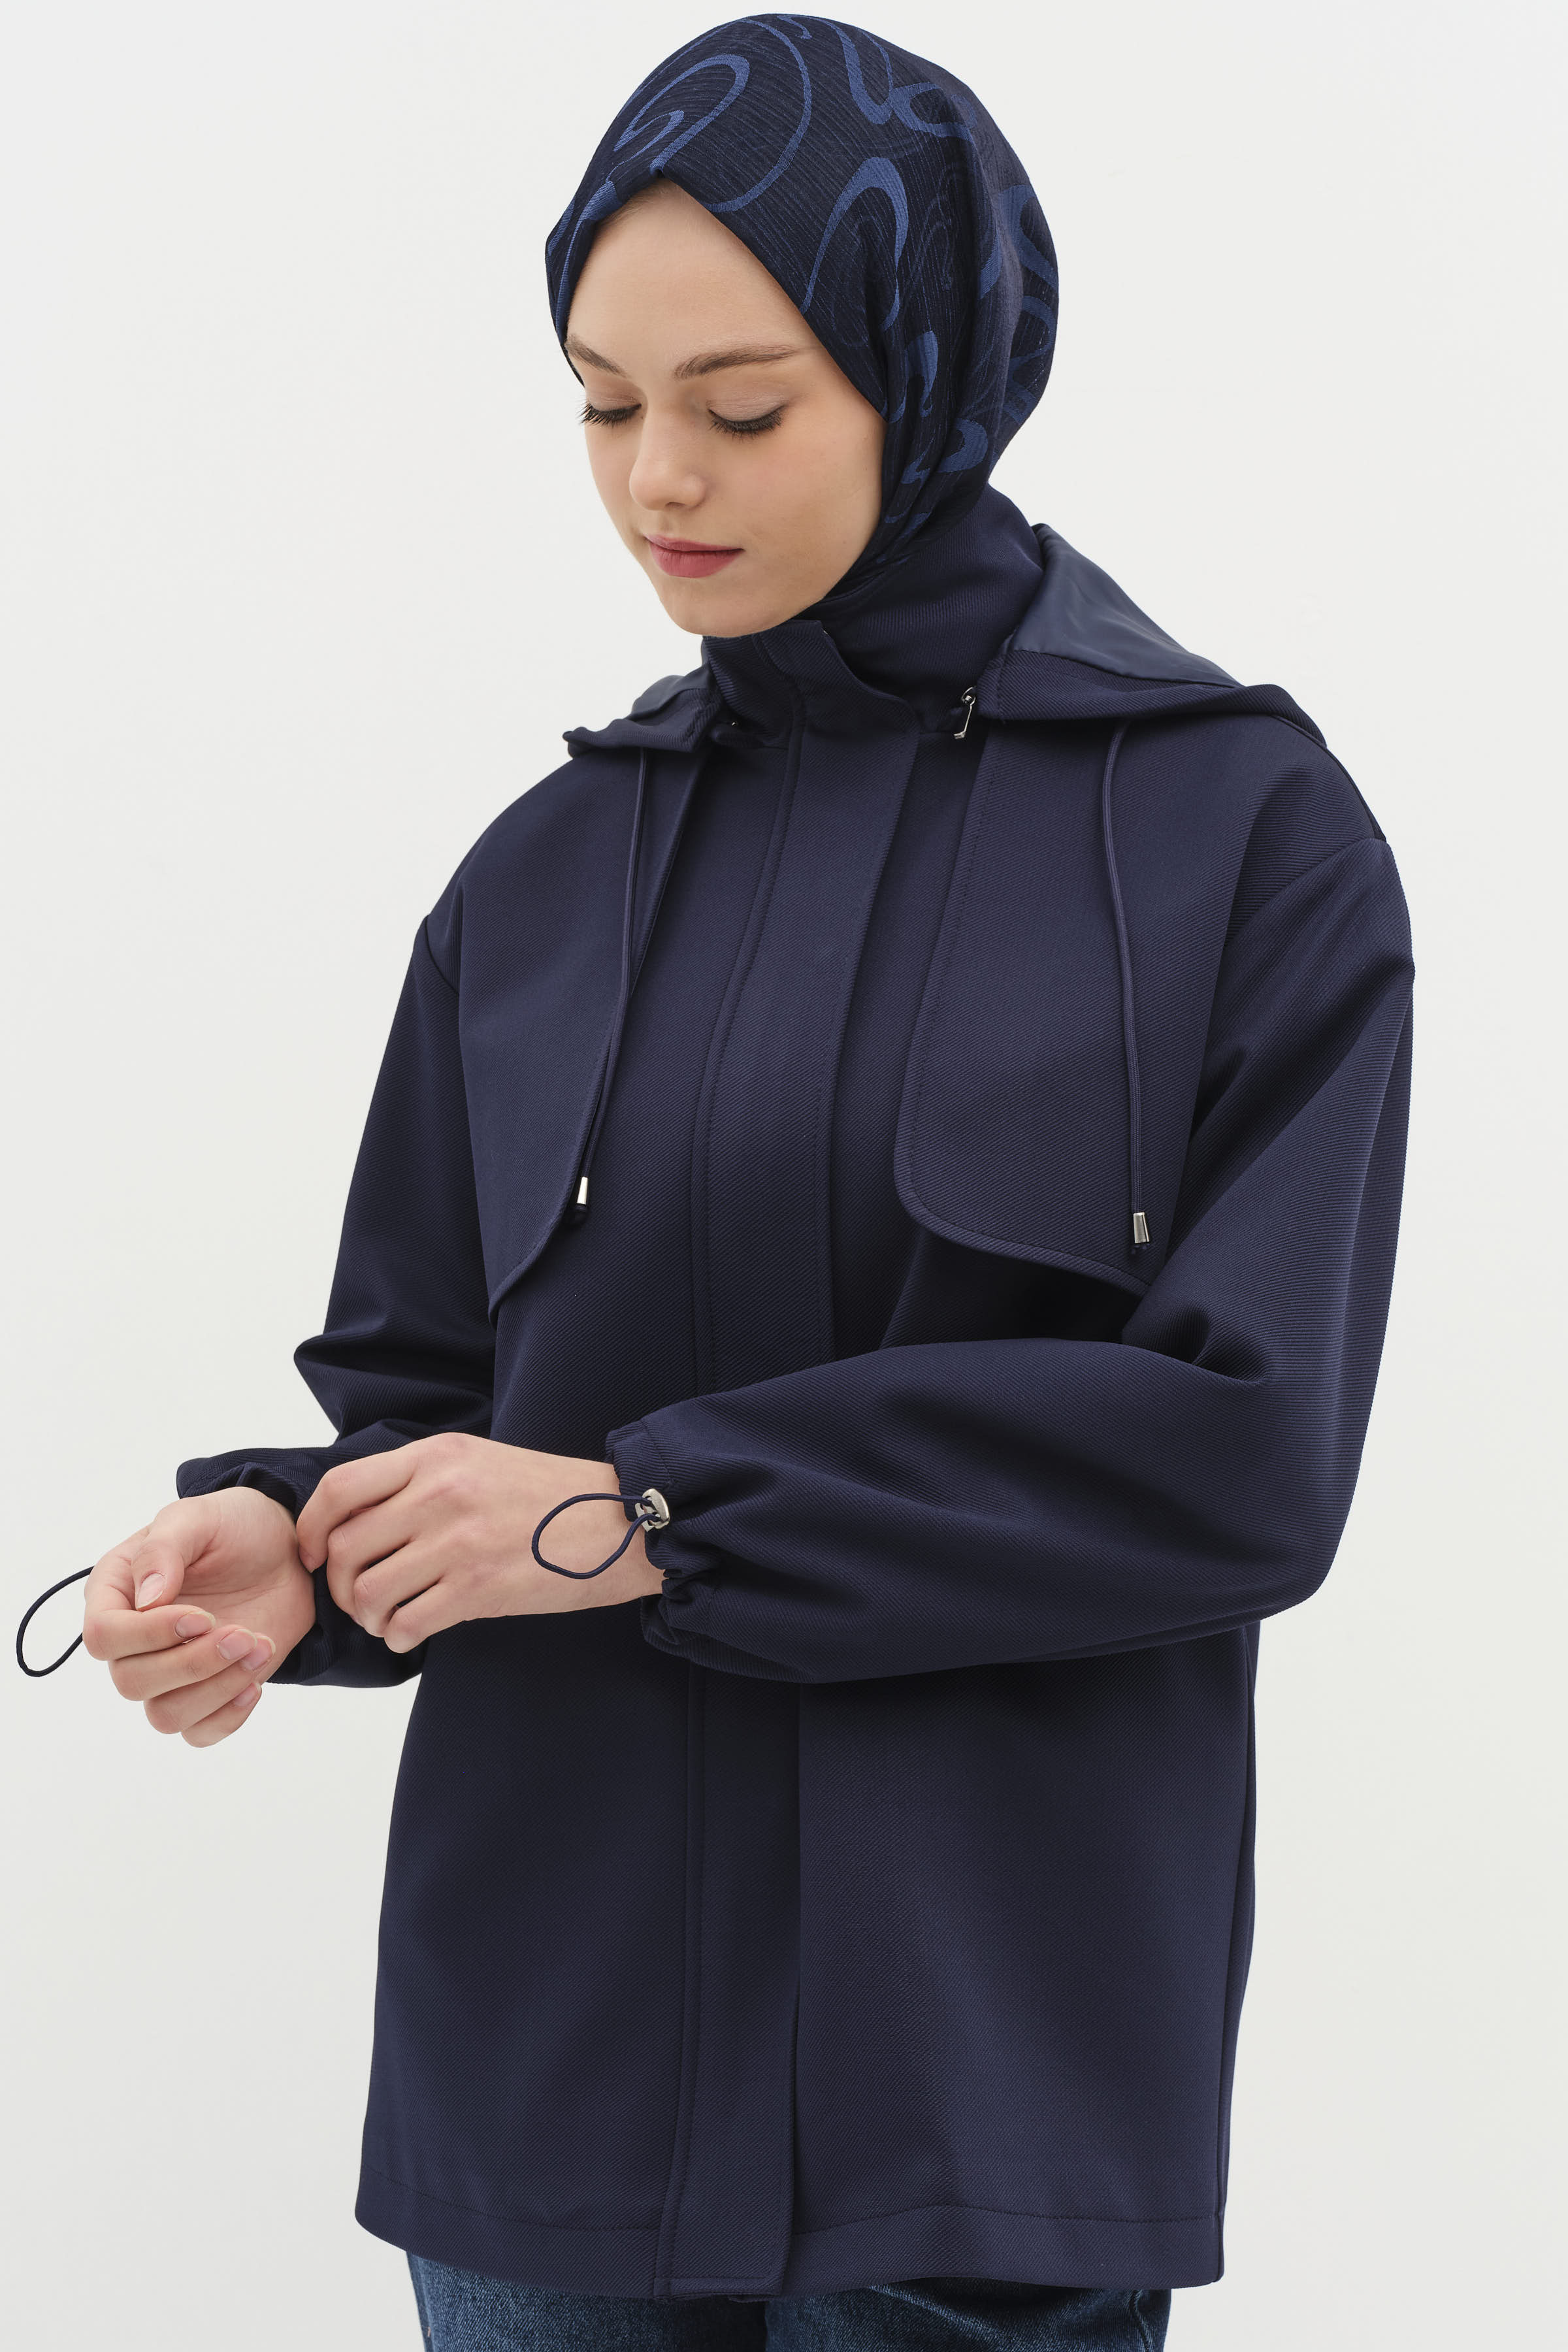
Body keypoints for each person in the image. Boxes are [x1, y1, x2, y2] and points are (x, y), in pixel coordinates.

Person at [18, 17, 1414, 2351]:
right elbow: (432, 1411)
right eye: (601, 404)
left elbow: (1242, 1459)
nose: (659, 477)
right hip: (543, 2093)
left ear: (930, 371)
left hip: (970, 2094)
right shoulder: (540, 879)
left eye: (743, 409)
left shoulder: (1238, 839)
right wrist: (302, 1551)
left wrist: (645, 1514)